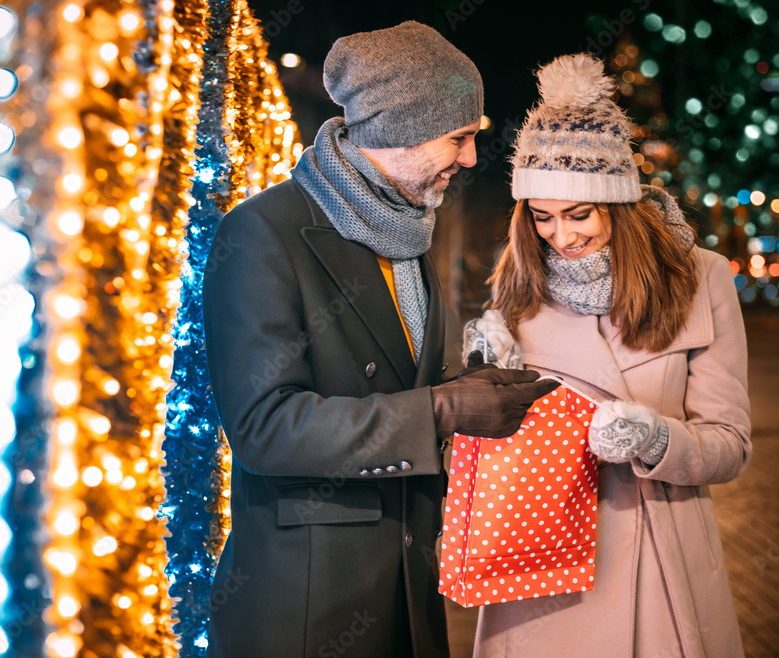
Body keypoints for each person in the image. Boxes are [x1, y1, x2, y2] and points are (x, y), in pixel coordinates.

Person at [201, 21, 558, 658]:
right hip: (310, 609)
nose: (473, 158)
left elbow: (402, 381)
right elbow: (265, 428)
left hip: (410, 598)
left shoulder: (407, 231)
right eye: (460, 136)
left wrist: (468, 387)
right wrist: (442, 410)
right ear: (400, 129)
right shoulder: (263, 233)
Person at [465, 54, 752, 657]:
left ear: (618, 204)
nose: (560, 238)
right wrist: (485, 383)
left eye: (579, 214)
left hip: (660, 555)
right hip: (539, 560)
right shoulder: (515, 289)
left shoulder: (702, 278)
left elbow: (730, 444)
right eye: (541, 217)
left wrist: (656, 441)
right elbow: (490, 453)